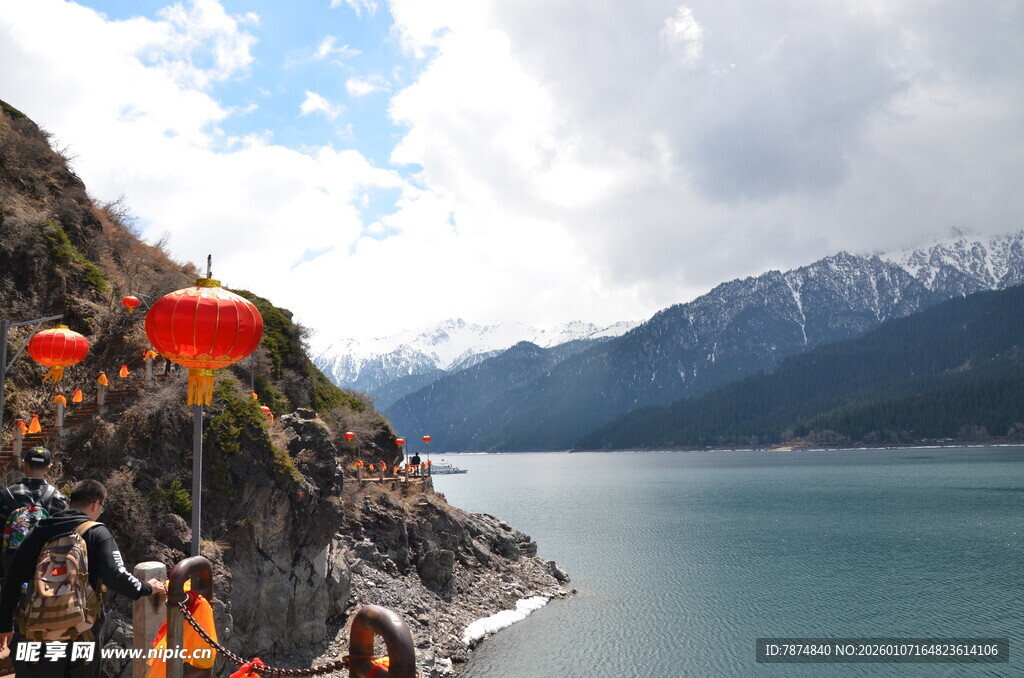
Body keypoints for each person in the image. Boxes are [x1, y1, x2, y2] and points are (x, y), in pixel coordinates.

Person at [0, 479, 166, 678]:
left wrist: (4, 625)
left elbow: (13, 576)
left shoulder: (40, 529)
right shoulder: (97, 532)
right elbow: (116, 575)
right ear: (96, 503)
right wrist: (146, 588)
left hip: (35, 633)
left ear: (71, 501)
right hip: (80, 635)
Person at [0, 448, 69, 575]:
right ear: (48, 467)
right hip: (45, 571)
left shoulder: (5, 496)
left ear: (24, 464)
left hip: (9, 569)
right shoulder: (59, 499)